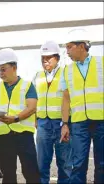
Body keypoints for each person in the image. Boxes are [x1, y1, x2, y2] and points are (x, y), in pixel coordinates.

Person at [0, 48, 41, 183]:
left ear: (14, 67)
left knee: (30, 171)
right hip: (4, 135)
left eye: (3, 69)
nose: (0, 73)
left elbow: (32, 107)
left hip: (24, 135)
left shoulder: (27, 85)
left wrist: (16, 118)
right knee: (8, 173)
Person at [60, 28, 104, 184]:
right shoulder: (67, 70)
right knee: (78, 165)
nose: (67, 52)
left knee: (102, 164)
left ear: (82, 46)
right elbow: (66, 99)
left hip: (101, 122)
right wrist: (64, 124)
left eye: (69, 47)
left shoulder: (101, 62)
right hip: (78, 124)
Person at [33, 41, 72, 183]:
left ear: (57, 58)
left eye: (49, 57)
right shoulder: (37, 76)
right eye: (43, 58)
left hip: (63, 124)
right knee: (41, 164)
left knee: (65, 165)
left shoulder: (66, 72)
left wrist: (66, 123)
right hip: (43, 124)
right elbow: (33, 100)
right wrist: (35, 120)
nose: (45, 61)